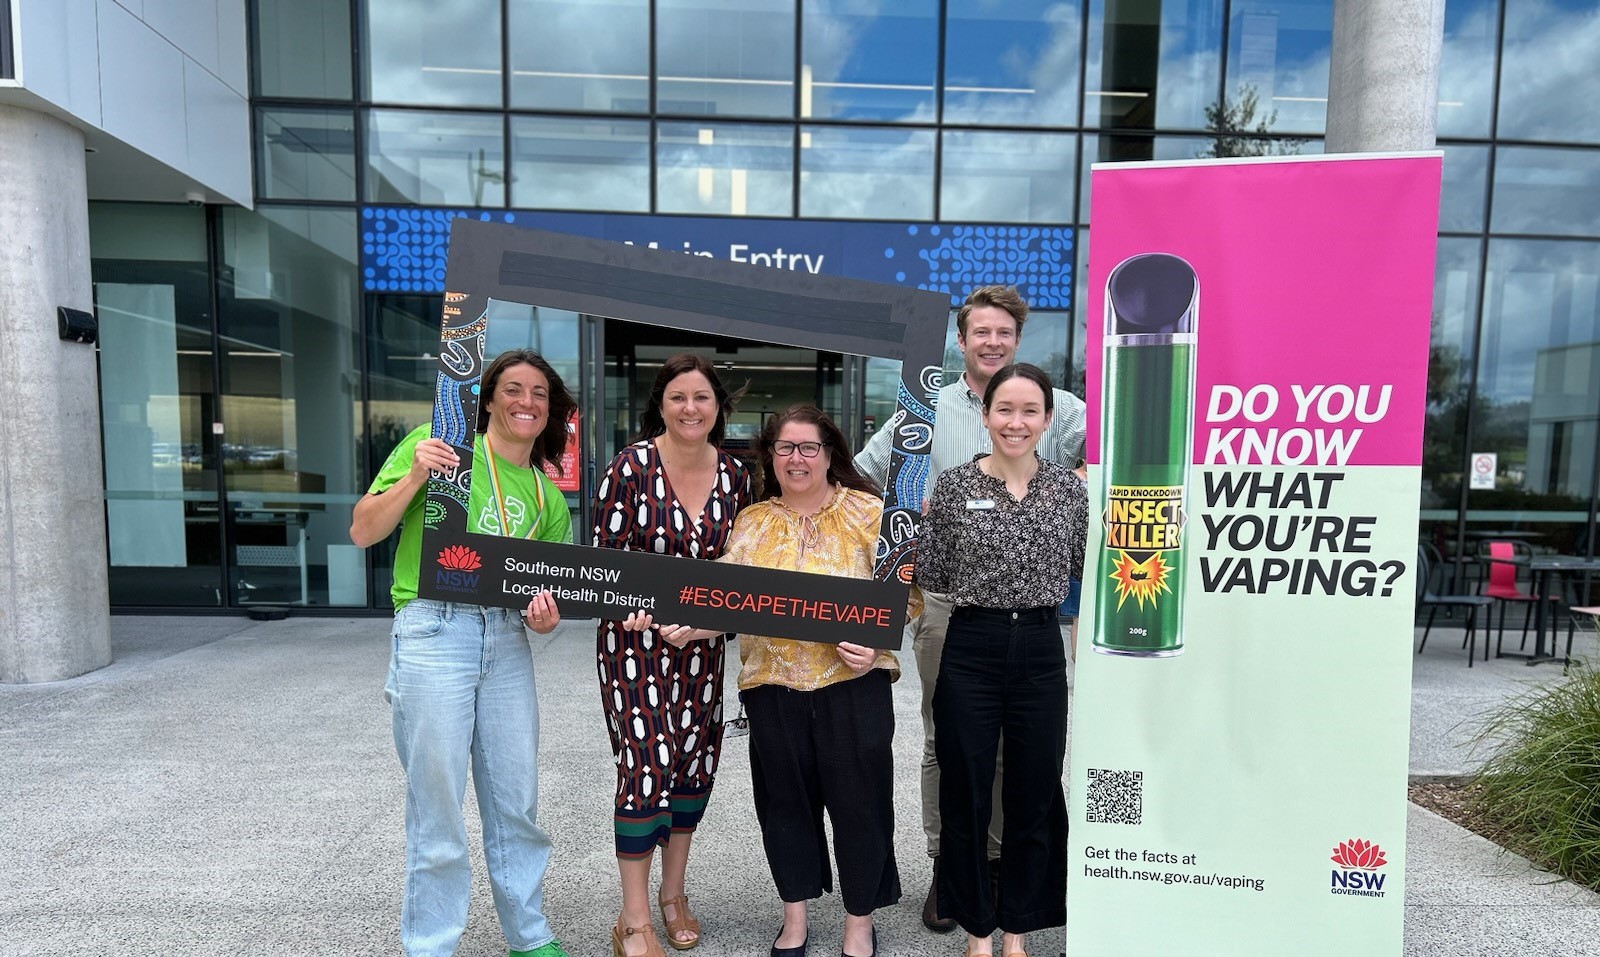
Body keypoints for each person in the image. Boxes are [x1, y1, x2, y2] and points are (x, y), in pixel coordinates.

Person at [622, 404, 903, 957]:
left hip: (853, 684)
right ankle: (794, 918)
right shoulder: (752, 522)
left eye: (809, 448)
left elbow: (904, 595)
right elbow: (724, 598)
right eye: (785, 448)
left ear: (829, 455)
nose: (796, 459)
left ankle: (858, 923)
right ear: (769, 456)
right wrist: (688, 629)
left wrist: (876, 643)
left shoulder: (870, 514)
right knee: (783, 807)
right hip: (772, 688)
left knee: (861, 805)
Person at [854, 285, 1086, 931]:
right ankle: (948, 866)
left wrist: (1086, 480)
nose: (991, 342)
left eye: (1003, 333)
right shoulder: (924, 406)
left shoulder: (1059, 406)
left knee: (1020, 750)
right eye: (979, 332)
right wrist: (905, 522)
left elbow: (1113, 456)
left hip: (1027, 609)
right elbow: (863, 475)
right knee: (946, 741)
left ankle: (1000, 867)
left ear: (1017, 340)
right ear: (962, 339)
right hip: (946, 598)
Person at [349, 348, 576, 957]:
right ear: (488, 398)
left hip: (505, 639)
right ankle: (430, 945)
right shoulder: (440, 448)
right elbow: (363, 529)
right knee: (438, 805)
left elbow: (545, 608)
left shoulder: (548, 498)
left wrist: (546, 618)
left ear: (551, 411)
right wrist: (417, 475)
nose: (526, 402)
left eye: (539, 394)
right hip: (432, 630)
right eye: (513, 389)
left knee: (516, 803)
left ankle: (529, 937)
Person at [914, 363, 1087, 957]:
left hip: (1039, 648)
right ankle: (977, 932)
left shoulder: (1069, 490)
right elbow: (934, 573)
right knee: (965, 788)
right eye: (1004, 410)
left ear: (1046, 419)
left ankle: (1017, 930)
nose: (1016, 422)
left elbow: (1085, 569)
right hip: (972, 648)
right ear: (985, 416)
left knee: (1035, 789)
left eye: (1029, 411)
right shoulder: (957, 487)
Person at [592, 354, 752, 957]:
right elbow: (603, 563)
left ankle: (673, 894)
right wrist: (630, 604)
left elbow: (742, 571)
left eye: (702, 398)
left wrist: (710, 624)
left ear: (718, 407)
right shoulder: (630, 467)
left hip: (702, 650)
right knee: (645, 764)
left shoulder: (738, 476)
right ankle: (634, 921)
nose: (690, 408)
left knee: (691, 765)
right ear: (660, 404)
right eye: (678, 397)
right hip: (634, 644)